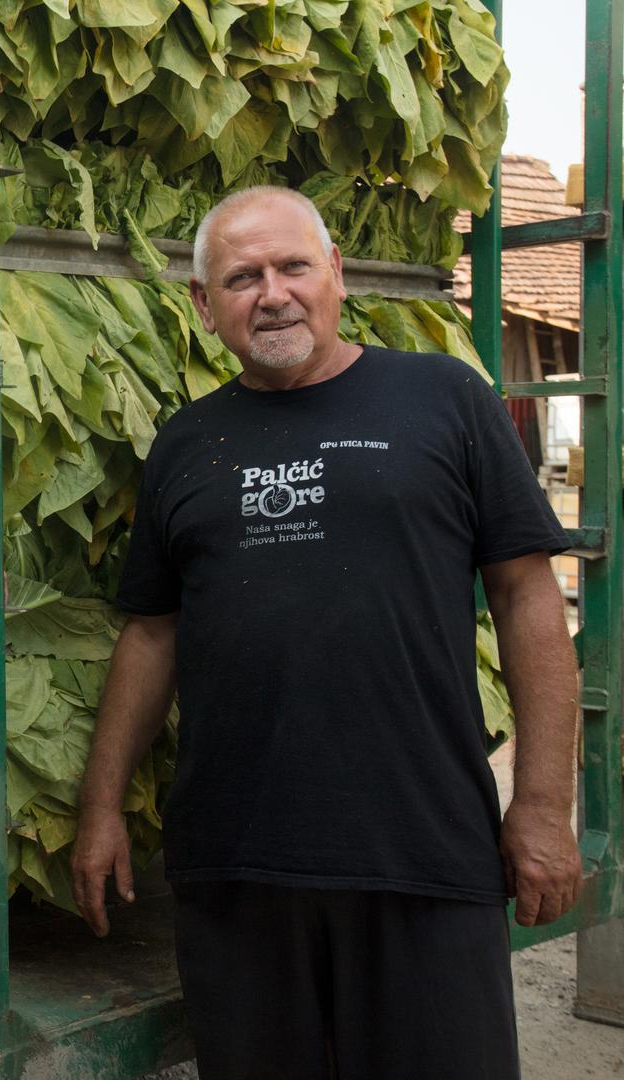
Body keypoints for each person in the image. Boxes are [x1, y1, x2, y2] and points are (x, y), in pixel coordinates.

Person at [69, 186, 581, 1079]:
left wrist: (541, 807)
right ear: (203, 305)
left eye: (293, 267)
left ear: (336, 273)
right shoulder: (186, 443)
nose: (273, 294)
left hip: (423, 853)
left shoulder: (445, 398)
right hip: (237, 870)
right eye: (242, 278)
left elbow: (526, 597)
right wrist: (100, 808)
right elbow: (151, 635)